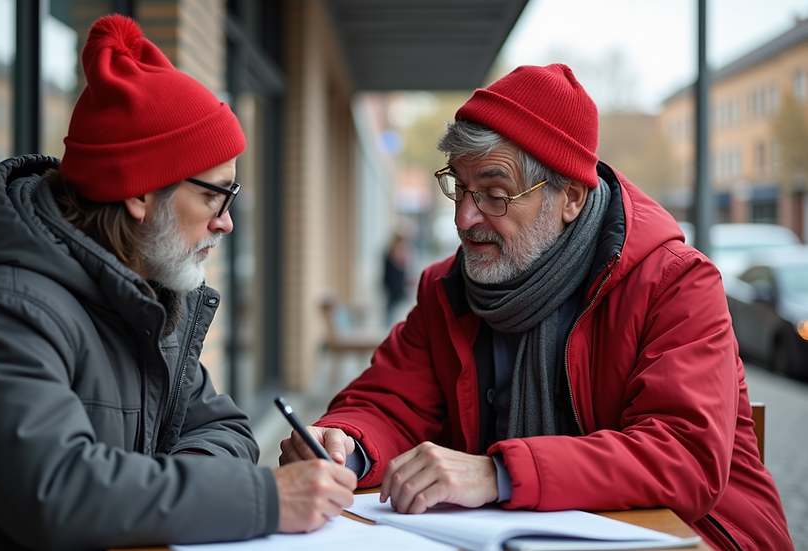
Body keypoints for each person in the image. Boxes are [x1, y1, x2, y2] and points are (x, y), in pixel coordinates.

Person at [0, 15, 355, 551]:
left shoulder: (148, 300)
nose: (226, 222)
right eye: (215, 194)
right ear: (140, 192)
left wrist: (180, 483)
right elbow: (60, 496)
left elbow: (227, 428)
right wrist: (263, 499)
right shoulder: (0, 310)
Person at [280, 64, 793, 551]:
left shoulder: (675, 283)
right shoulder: (447, 289)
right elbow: (389, 403)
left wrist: (496, 473)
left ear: (569, 197)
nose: (464, 218)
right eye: (459, 187)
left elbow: (683, 458)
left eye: (494, 194)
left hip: (696, 537)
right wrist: (347, 443)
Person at [382, 231, 410, 326]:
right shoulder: (395, 252)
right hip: (394, 286)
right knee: (393, 311)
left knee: (392, 310)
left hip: (392, 285)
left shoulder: (390, 251)